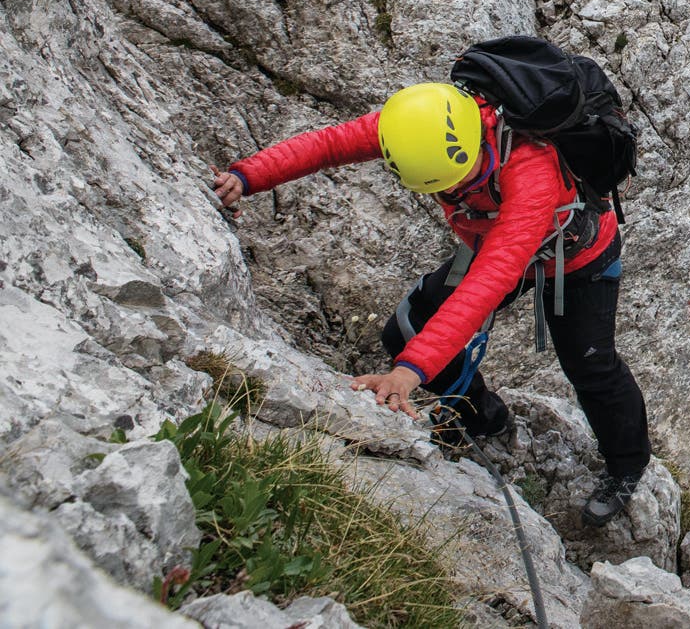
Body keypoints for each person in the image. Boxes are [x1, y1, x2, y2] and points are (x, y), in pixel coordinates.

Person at [212, 80, 651, 526]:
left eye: (462, 183)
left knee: (591, 367)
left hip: (579, 257)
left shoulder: (530, 171)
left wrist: (409, 372)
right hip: (496, 241)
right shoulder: (412, 125)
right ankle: (482, 418)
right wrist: (248, 176)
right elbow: (328, 145)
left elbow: (486, 285)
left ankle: (627, 466)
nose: (455, 193)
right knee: (404, 327)